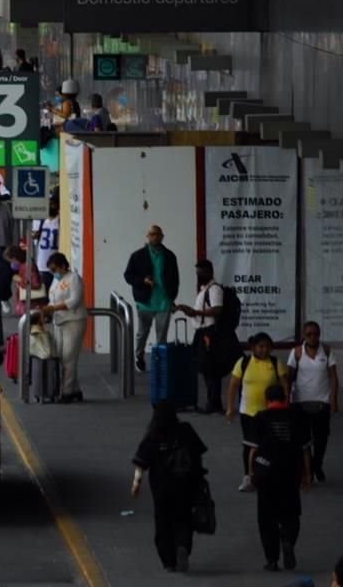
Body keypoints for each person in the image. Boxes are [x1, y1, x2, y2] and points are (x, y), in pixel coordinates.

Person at [131, 402, 207, 573]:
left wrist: (136, 484)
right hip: (186, 484)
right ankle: (183, 546)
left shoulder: (153, 435)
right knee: (184, 519)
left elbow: (140, 465)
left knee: (163, 523)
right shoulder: (186, 430)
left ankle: (169, 562)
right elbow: (198, 455)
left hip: (162, 487)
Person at [250, 385, 311, 571]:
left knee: (266, 519)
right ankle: (287, 539)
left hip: (266, 474)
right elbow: (305, 449)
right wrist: (307, 475)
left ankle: (272, 560)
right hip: (291, 472)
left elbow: (253, 450)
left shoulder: (260, 417)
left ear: (266, 399)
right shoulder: (296, 417)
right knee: (291, 514)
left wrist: (250, 475)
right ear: (285, 398)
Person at [227, 332, 291, 493]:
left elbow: (285, 385)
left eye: (268, 347)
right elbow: (233, 385)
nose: (264, 350)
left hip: (271, 413)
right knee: (249, 445)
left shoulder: (276, 363)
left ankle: (272, 475)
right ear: (253, 347)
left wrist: (286, 406)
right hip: (248, 412)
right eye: (261, 346)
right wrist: (230, 408)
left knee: (272, 444)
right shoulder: (244, 362)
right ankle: (248, 477)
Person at [174, 259, 239, 414]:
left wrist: (196, 313)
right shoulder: (204, 290)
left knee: (210, 368)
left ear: (210, 272)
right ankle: (213, 402)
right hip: (203, 332)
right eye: (197, 273)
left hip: (211, 334)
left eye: (201, 272)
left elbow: (217, 310)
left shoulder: (214, 290)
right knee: (209, 369)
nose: (199, 275)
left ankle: (213, 403)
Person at [123, 225, 180, 372]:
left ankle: (159, 361)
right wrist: (143, 281)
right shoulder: (137, 256)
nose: (155, 237)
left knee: (162, 335)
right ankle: (139, 356)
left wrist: (172, 298)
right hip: (145, 301)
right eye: (152, 234)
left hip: (164, 301)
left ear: (162, 236)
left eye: (157, 234)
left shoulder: (169, 256)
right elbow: (128, 276)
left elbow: (175, 279)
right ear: (147, 237)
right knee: (142, 333)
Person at [287, 321, 338, 484]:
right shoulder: (296, 352)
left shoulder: (327, 351)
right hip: (300, 402)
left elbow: (333, 377)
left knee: (321, 438)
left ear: (319, 334)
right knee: (302, 439)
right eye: (309, 334)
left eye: (316, 334)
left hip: (322, 401)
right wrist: (287, 399)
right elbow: (289, 378)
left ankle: (317, 465)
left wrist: (334, 400)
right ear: (303, 335)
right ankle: (303, 469)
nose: (313, 337)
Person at [42, 252, 88, 403]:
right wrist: (46, 309)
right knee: (61, 357)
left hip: (74, 320)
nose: (53, 273)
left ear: (63, 265)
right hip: (58, 321)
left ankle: (67, 392)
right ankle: (76, 390)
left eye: (55, 269)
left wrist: (53, 308)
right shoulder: (56, 280)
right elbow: (52, 299)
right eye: (51, 270)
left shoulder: (74, 278)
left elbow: (74, 300)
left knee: (69, 357)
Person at [4, 241, 46, 317]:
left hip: (32, 304)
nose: (11, 263)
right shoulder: (23, 265)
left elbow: (35, 284)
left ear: (15, 257)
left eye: (11, 260)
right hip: (28, 304)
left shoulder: (27, 266)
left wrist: (20, 280)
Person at [31, 189, 60, 290]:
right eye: (48, 204)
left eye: (52, 204)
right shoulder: (41, 220)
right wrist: (35, 235)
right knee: (45, 293)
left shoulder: (60, 221)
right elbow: (33, 236)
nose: (50, 206)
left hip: (57, 264)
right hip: (43, 263)